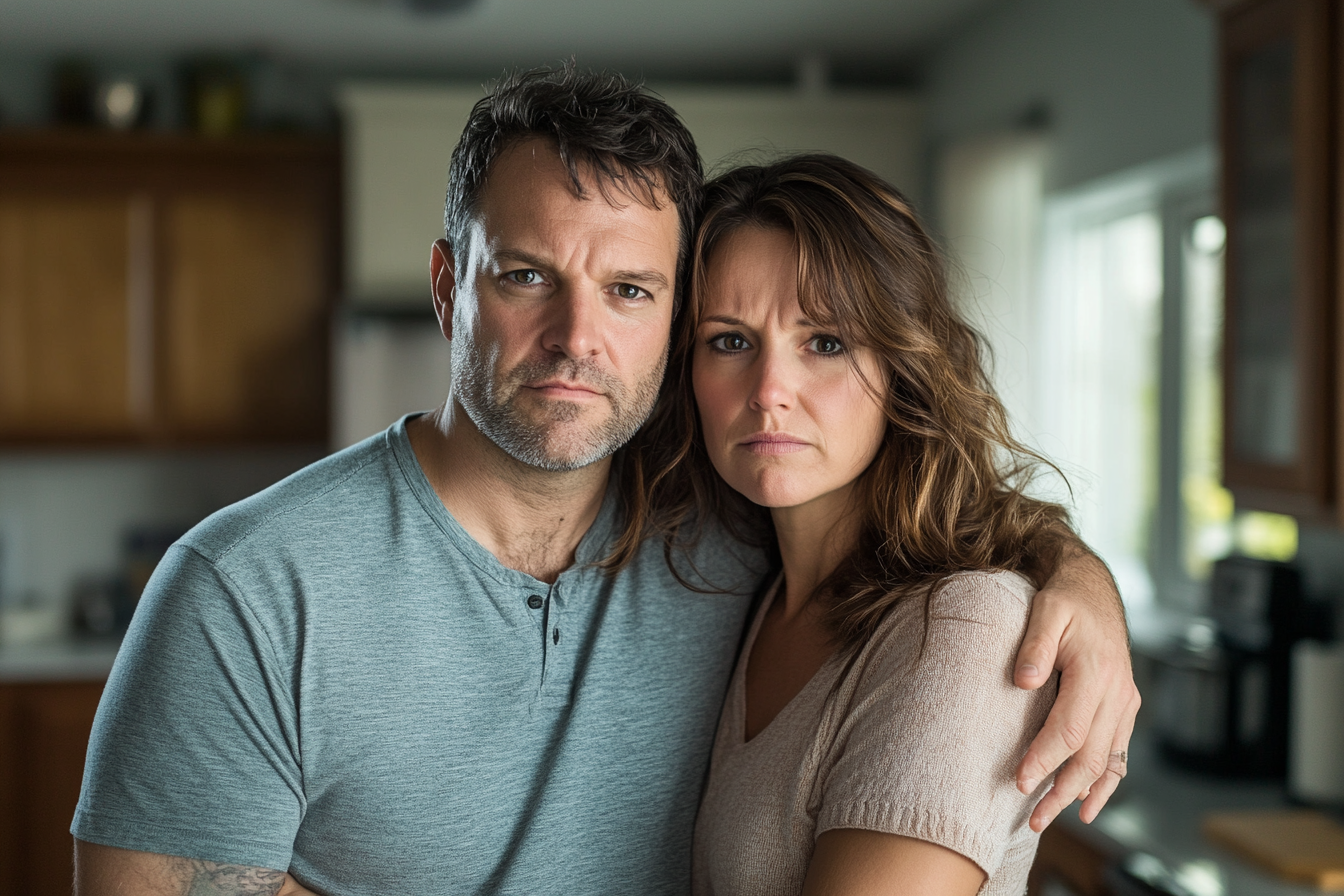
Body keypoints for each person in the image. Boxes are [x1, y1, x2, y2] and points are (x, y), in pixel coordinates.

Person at [72, 66, 1138, 896]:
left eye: (629, 288)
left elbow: (949, 545)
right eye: (527, 274)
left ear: (668, 321)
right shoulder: (245, 589)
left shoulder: (728, 524)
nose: (576, 336)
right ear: (450, 288)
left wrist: (1079, 578)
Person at [658, 155, 1093, 895]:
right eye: (729, 340)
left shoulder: (965, 627)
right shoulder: (743, 580)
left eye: (825, 342)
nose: (769, 393)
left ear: (903, 369)